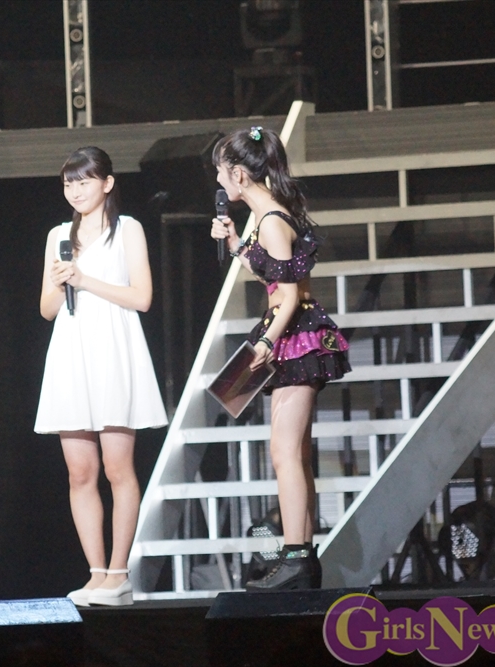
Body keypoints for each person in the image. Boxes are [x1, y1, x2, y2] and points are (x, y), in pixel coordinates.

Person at [210, 126, 351, 590]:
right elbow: (275, 275)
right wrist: (236, 245)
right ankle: (302, 559)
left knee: (285, 453)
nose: (219, 181)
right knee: (297, 454)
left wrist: (267, 343)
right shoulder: (268, 214)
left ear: (238, 174)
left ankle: (295, 559)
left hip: (293, 336)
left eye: (221, 172)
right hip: (292, 332)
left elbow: (288, 297)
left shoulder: (270, 219)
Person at [35, 146, 168, 606]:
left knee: (117, 467)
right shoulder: (58, 236)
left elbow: (142, 297)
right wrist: (61, 282)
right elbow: (47, 309)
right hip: (71, 353)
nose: (75, 191)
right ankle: (95, 574)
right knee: (80, 472)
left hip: (114, 349)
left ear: (107, 184)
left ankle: (119, 572)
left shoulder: (127, 228)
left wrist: (85, 280)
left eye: (84, 181)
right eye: (68, 183)